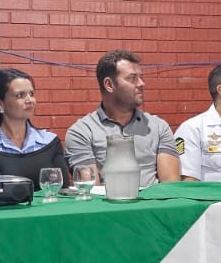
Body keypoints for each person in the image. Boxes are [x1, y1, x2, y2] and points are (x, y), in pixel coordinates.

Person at [65, 49, 181, 186]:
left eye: (141, 77)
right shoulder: (82, 132)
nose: (141, 84)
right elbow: (89, 189)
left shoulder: (158, 127)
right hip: (108, 200)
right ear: (109, 85)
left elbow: (170, 185)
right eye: (132, 78)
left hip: (154, 199)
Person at [0, 68, 71, 180]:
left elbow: (62, 186)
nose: (30, 100)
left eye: (31, 94)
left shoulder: (50, 142)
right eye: (20, 95)